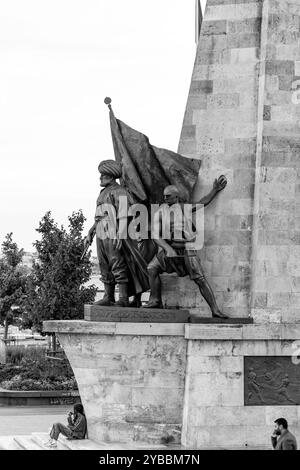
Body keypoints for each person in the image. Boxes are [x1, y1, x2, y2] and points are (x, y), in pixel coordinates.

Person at [145, 176, 228, 319]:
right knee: (152, 268)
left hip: (187, 249)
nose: (165, 198)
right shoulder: (160, 212)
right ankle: (155, 300)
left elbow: (203, 202)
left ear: (176, 197)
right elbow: (155, 235)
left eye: (168, 196)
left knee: (200, 279)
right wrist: (167, 248)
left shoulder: (186, 208)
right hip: (169, 248)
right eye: (164, 196)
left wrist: (214, 190)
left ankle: (215, 310)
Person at [84, 160, 149, 307]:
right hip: (101, 233)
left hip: (114, 232)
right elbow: (100, 216)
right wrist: (90, 232)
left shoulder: (120, 192)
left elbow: (125, 214)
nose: (100, 178)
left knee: (117, 263)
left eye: (103, 174)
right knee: (104, 264)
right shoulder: (103, 193)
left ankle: (124, 298)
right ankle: (108, 296)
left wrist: (120, 234)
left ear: (111, 176)